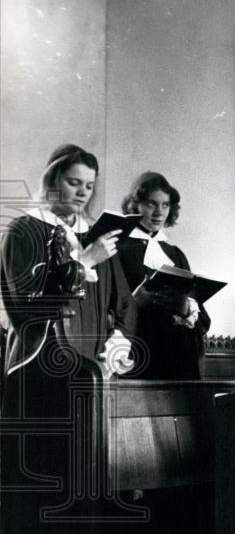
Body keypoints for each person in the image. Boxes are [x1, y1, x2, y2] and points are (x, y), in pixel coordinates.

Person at [0, 143, 134, 381]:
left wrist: (118, 342)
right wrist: (84, 262)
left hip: (93, 367)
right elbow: (27, 308)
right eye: (74, 183)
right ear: (52, 181)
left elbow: (125, 303)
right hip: (39, 365)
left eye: (89, 186)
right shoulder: (23, 230)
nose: (83, 192)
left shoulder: (97, 237)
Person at [117, 171, 210, 379]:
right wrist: (135, 302)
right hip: (139, 353)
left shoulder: (175, 254)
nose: (159, 212)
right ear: (135, 205)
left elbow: (201, 319)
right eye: (151, 204)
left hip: (179, 355)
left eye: (165, 205)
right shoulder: (118, 249)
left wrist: (186, 308)